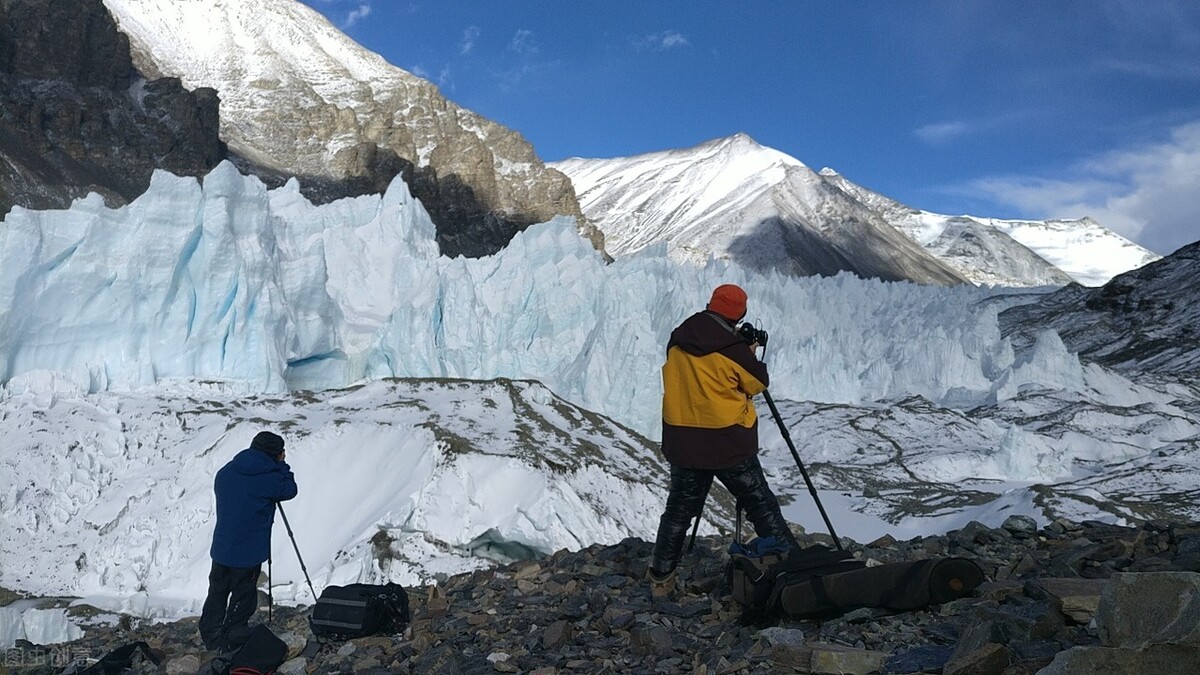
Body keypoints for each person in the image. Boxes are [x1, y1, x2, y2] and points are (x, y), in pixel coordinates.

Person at [649, 284, 799, 597]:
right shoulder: (732, 350)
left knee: (678, 510)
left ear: (710, 305)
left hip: (685, 441)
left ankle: (661, 580)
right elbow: (756, 382)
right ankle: (794, 568)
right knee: (760, 502)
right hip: (727, 442)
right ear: (739, 314)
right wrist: (748, 353)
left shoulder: (680, 337)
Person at [199, 431, 297, 652]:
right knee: (244, 594)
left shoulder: (226, 471)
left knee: (217, 591)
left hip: (222, 547)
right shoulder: (270, 478)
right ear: (275, 454)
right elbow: (290, 489)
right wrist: (282, 466)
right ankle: (233, 633)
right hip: (248, 552)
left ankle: (210, 633)